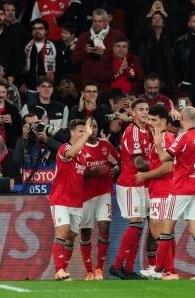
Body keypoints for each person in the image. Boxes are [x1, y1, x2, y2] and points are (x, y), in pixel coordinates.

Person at [146, 106, 195, 280]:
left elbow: (163, 158)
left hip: (181, 189)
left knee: (166, 229)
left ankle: (158, 269)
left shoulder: (183, 137)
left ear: (182, 117)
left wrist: (159, 144)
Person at [110, 99, 152, 280]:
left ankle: (128, 268)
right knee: (135, 225)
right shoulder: (132, 132)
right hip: (129, 184)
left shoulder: (148, 130)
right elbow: (138, 163)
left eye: (147, 109)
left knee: (140, 228)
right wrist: (161, 165)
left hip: (143, 184)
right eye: (141, 109)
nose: (145, 112)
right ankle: (117, 265)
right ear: (133, 113)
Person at [136, 105, 178, 279]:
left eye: (153, 120)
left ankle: (168, 270)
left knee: (158, 229)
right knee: (162, 230)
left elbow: (168, 167)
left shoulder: (166, 137)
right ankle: (166, 269)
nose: (150, 123)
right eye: (149, 120)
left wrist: (145, 175)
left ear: (163, 120)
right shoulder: (157, 137)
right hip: (157, 189)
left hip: (164, 189)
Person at [49, 118, 91, 281]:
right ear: (72, 132)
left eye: (84, 131)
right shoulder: (64, 148)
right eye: (80, 131)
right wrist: (87, 136)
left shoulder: (84, 154)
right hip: (60, 199)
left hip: (76, 201)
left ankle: (63, 271)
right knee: (63, 231)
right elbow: (71, 153)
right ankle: (59, 270)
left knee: (72, 236)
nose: (84, 133)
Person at [79, 115, 120, 281]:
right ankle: (88, 271)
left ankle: (99, 270)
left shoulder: (105, 145)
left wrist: (115, 169)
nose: (93, 130)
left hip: (104, 194)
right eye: (90, 127)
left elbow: (117, 162)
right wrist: (94, 172)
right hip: (85, 196)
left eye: (95, 127)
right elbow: (76, 174)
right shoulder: (79, 148)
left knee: (104, 231)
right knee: (86, 233)